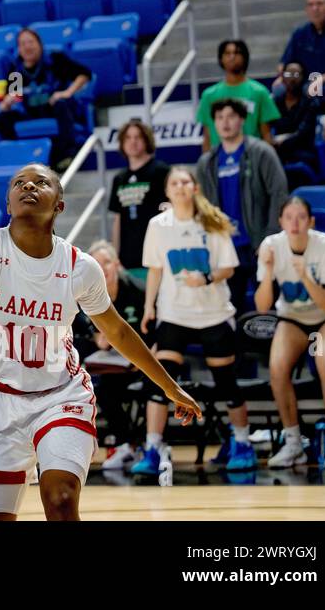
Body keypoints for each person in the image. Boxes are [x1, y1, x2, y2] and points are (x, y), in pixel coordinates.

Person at [0, 164, 200, 519]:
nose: (28, 185)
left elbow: (119, 331)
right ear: (8, 204)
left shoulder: (81, 266)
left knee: (61, 499)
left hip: (61, 397)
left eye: (41, 182)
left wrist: (170, 387)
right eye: (19, 182)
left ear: (59, 205)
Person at [133, 165, 250, 475]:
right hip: (174, 312)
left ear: (195, 187)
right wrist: (149, 308)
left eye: (186, 181)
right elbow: (155, 269)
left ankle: (242, 442)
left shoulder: (213, 222)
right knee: (161, 380)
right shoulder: (158, 225)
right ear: (168, 190)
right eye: (175, 183)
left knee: (226, 382)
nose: (181, 186)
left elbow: (229, 268)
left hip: (213, 313)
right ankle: (154, 447)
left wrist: (207, 277)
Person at [256, 196, 325, 469]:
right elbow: (263, 306)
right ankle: (293, 443)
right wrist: (266, 272)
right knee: (277, 368)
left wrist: (304, 276)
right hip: (293, 319)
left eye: (301, 217)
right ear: (280, 222)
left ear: (311, 222)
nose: (295, 223)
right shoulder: (271, 246)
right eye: (288, 217)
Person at [196, 98, 288, 318]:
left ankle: (271, 351)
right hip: (226, 246)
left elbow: (279, 193)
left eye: (230, 117)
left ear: (242, 120)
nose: (225, 123)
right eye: (219, 118)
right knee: (229, 310)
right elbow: (203, 206)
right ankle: (235, 353)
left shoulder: (261, 152)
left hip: (258, 243)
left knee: (267, 308)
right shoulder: (207, 162)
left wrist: (269, 236)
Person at [84, 240, 149, 472]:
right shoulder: (87, 294)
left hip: (143, 363)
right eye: (97, 264)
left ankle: (144, 444)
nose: (102, 268)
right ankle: (125, 444)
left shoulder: (139, 290)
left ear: (117, 264)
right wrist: (96, 338)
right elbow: (83, 331)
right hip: (112, 366)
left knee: (148, 388)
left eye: (107, 262)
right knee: (100, 387)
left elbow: (154, 330)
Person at [0, 27, 91, 169]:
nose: (27, 47)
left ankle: (67, 156)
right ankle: (18, 156)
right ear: (19, 49)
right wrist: (6, 104)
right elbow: (13, 97)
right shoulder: (16, 70)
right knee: (0, 119)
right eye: (23, 44)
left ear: (39, 44)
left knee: (62, 104)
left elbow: (84, 74)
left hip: (55, 108)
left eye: (30, 42)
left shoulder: (55, 60)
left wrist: (67, 92)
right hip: (31, 112)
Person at [107, 118, 170, 275]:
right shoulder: (119, 178)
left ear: (146, 140)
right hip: (128, 256)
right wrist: (115, 254)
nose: (132, 142)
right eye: (128, 137)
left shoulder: (161, 171)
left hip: (157, 253)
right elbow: (117, 219)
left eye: (138, 137)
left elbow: (170, 212)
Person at [196, 39, 279, 151]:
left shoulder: (259, 92)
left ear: (245, 58)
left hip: (251, 158)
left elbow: (266, 134)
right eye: (228, 53)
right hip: (219, 161)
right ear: (221, 59)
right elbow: (207, 136)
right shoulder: (209, 95)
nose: (232, 57)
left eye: (237, 53)